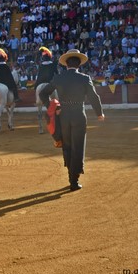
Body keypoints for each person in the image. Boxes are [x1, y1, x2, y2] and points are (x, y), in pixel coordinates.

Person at [39, 49, 105, 191]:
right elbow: (94, 97)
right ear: (79, 64)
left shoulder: (58, 78)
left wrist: (53, 106)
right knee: (78, 146)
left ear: (66, 64)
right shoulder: (84, 78)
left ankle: (70, 177)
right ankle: (74, 180)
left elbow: (42, 93)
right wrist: (99, 113)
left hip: (63, 115)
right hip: (78, 115)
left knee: (67, 146)